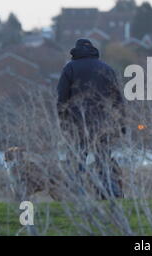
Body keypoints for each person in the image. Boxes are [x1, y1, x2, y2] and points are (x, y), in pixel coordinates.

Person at [57, 38, 125, 198]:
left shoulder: (70, 69)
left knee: (78, 159)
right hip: (104, 123)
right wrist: (121, 123)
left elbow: (62, 98)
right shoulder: (106, 69)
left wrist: (63, 121)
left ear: (76, 50)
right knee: (103, 159)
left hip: (77, 123)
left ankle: (76, 194)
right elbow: (117, 99)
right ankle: (109, 192)